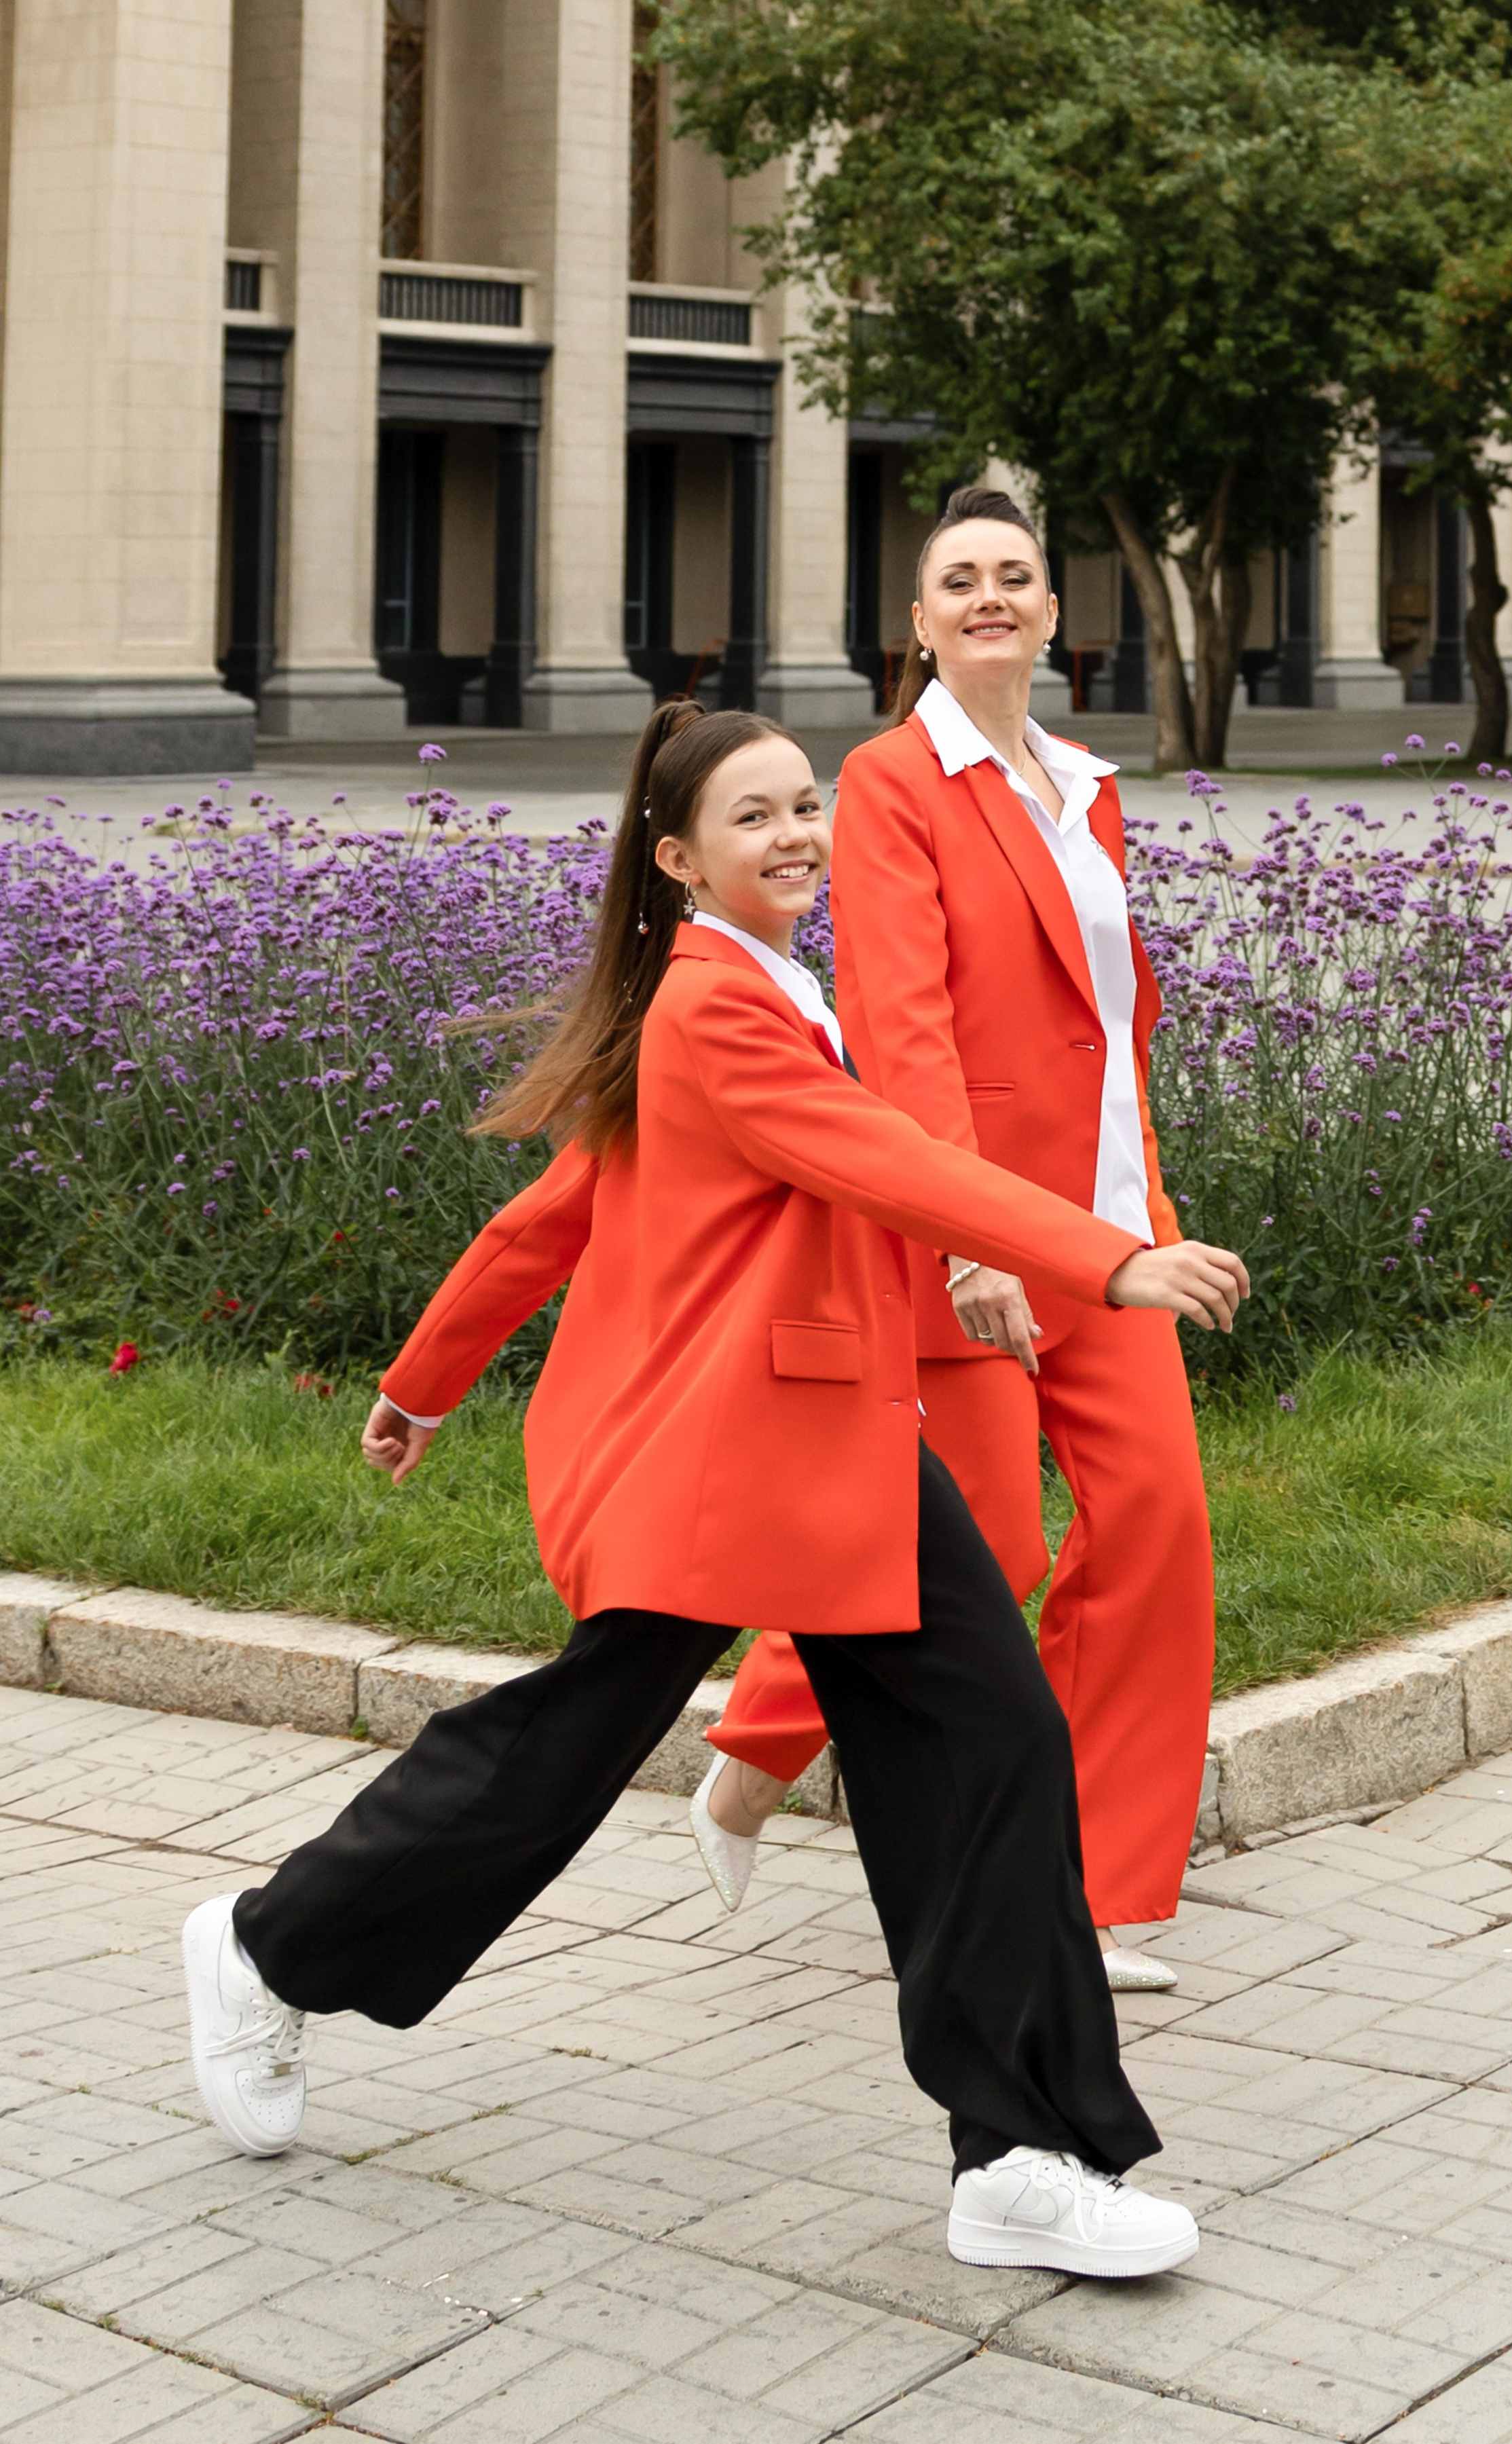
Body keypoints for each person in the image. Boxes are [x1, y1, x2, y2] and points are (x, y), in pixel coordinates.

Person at [180, 701, 1248, 2278]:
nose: (797, 834)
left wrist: (419, 1382)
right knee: (559, 1753)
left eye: (803, 804)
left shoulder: (756, 988)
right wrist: (1103, 1254)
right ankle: (265, 1948)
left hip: (829, 1440)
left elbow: (545, 1217)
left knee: (988, 1738)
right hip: (722, 1450)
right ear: (676, 860)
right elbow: (879, 1156)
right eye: (752, 818)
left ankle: (1019, 2156)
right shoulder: (713, 1012)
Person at [696, 488, 1228, 1988]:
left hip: (1114, 1227)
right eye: (956, 580)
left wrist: (1138, 1195)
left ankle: (1093, 1889)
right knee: (971, 1547)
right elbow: (905, 1024)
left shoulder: (1083, 782)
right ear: (917, 623)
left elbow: (1107, 1023)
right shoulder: (885, 781)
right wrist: (969, 1239)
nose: (988, 596)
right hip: (979, 1225)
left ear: (1052, 613)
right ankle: (754, 1747)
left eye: (1013, 576)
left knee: (1155, 1534)